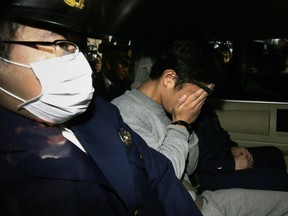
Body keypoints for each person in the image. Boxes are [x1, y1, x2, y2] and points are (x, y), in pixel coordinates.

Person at [0, 1, 203, 215]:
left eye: (78, 46)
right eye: (56, 44)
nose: (78, 62)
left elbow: (161, 176)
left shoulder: (101, 113)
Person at [112, 36, 288, 215]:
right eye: (197, 95)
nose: (200, 103)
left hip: (199, 199)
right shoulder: (125, 113)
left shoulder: (166, 107)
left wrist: (187, 126)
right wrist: (181, 125)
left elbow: (190, 166)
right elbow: (161, 180)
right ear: (169, 78)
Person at [191, 100, 288, 193]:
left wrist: (232, 148)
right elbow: (197, 161)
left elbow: (219, 134)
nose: (212, 86)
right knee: (280, 179)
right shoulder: (186, 111)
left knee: (274, 154)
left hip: (221, 158)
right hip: (208, 176)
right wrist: (233, 165)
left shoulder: (204, 105)